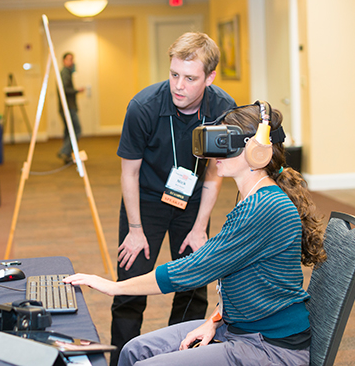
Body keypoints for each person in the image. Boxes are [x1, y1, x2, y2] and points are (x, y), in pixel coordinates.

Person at [64, 102, 327, 366]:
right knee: (134, 350)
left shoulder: (263, 207)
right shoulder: (251, 197)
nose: (216, 152)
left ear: (257, 152)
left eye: (226, 143)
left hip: (272, 347)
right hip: (239, 328)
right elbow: (240, 276)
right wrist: (214, 319)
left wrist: (115, 287)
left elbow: (193, 269)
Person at [110, 32, 236, 365]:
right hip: (146, 201)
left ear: (209, 78)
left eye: (190, 78)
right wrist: (135, 229)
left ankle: (177, 360)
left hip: (193, 202)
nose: (178, 85)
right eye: (174, 74)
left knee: (193, 289)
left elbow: (214, 173)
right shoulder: (143, 107)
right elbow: (129, 174)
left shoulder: (223, 108)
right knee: (130, 288)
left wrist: (199, 228)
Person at [57, 52, 84, 164]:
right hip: (68, 108)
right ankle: (64, 151)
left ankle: (66, 154)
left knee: (68, 131)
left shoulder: (67, 72)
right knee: (76, 130)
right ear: (64, 61)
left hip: (67, 107)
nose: (71, 62)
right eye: (69, 59)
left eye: (72, 59)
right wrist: (77, 90)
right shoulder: (65, 73)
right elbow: (65, 90)